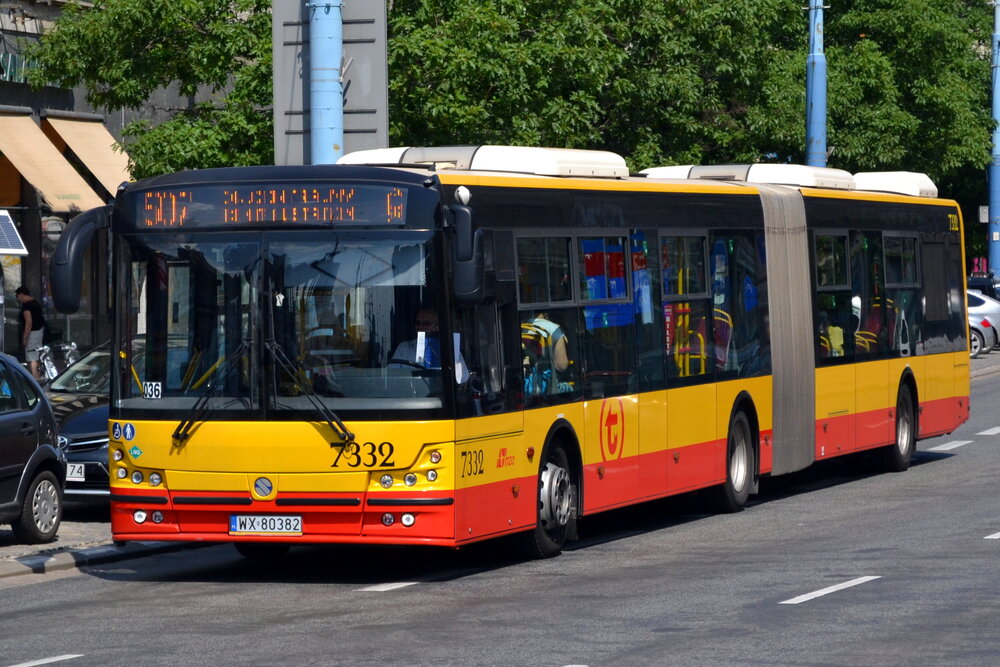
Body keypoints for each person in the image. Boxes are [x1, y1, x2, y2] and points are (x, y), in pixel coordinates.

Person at [390, 307, 469, 383]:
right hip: (409, 394)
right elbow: (391, 377)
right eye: (418, 323)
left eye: (426, 324)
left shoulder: (449, 348)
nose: (420, 327)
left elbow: (462, 378)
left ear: (437, 327)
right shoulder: (404, 348)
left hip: (439, 395)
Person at [15, 286, 46, 380]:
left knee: (31, 357)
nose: (17, 299)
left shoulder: (27, 306)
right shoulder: (35, 303)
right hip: (39, 332)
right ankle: (38, 376)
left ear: (21, 294)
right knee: (36, 356)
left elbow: (28, 323)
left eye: (17, 296)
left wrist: (24, 338)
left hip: (32, 334)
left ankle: (35, 379)